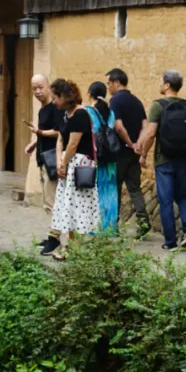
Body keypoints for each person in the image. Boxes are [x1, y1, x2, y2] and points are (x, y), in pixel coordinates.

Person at [136, 70, 186, 251]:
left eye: (160, 81)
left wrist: (143, 155)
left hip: (163, 159)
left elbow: (150, 134)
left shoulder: (158, 106)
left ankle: (170, 241)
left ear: (166, 85)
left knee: (165, 200)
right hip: (184, 158)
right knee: (181, 195)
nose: (159, 84)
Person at [47, 79, 99, 260]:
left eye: (55, 97)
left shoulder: (80, 114)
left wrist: (63, 162)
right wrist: (60, 162)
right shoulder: (66, 115)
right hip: (68, 164)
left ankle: (75, 248)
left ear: (63, 96)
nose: (53, 101)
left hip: (78, 165)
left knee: (78, 206)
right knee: (68, 206)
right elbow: (61, 139)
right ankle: (71, 246)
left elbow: (73, 144)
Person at [106, 68, 151, 238]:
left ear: (117, 82)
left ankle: (113, 226)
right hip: (134, 154)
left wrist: (129, 143)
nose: (108, 87)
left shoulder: (115, 101)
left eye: (109, 83)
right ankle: (143, 222)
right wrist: (138, 145)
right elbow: (144, 126)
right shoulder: (136, 101)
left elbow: (118, 126)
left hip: (119, 153)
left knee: (115, 188)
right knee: (135, 189)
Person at [24, 74, 64, 254]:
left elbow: (59, 133)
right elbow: (45, 133)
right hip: (43, 158)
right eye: (34, 89)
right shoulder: (42, 110)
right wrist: (34, 143)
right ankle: (51, 235)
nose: (38, 92)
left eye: (41, 87)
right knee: (47, 200)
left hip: (53, 161)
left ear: (49, 86)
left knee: (53, 201)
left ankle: (54, 238)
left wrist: (39, 131)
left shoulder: (56, 108)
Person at [87, 81, 119, 233]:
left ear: (89, 94)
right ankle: (110, 227)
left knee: (95, 191)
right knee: (110, 191)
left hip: (95, 157)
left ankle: (95, 227)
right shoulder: (111, 113)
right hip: (110, 159)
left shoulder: (88, 111)